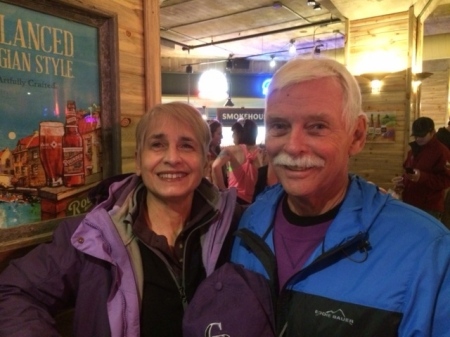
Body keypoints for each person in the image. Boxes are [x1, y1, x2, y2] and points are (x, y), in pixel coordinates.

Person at [231, 58, 450, 336]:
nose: (293, 145)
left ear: (357, 135)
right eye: (279, 126)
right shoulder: (250, 223)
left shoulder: (426, 250)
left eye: (317, 126)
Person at [0, 102, 243, 337]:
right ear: (138, 161)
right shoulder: (90, 237)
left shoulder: (237, 226)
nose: (172, 157)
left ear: (205, 161)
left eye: (187, 146)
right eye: (157, 144)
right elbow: (12, 290)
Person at [398, 116, 450, 220]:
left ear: (432, 132)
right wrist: (403, 181)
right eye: (416, 135)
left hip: (429, 208)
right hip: (410, 203)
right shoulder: (413, 150)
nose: (418, 139)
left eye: (422, 135)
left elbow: (446, 180)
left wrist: (422, 177)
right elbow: (409, 171)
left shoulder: (442, 152)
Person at [212, 119, 264, 204]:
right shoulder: (262, 153)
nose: (232, 136)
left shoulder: (230, 150)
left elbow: (215, 166)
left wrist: (224, 191)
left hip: (235, 200)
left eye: (234, 133)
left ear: (240, 134)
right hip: (255, 202)